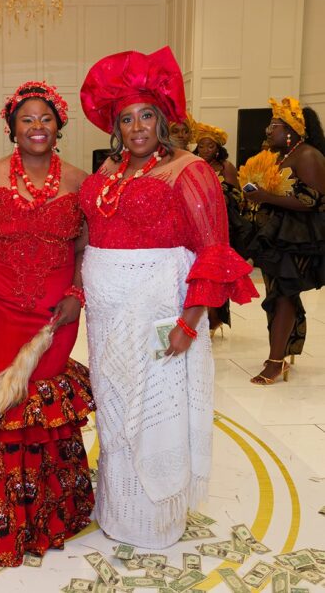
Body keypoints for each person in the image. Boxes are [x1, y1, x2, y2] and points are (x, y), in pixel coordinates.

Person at [79, 46, 258, 548]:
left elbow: (212, 250)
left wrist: (188, 322)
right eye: (127, 118)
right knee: (115, 409)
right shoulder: (109, 172)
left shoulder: (190, 169)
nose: (137, 127)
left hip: (160, 312)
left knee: (157, 412)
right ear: (115, 127)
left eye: (146, 116)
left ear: (162, 120)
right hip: (107, 319)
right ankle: (118, 509)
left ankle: (154, 521)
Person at [0, 81, 95, 567]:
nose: (37, 127)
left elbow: (86, 251)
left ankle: (46, 514)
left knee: (39, 397)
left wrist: (76, 295)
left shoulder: (81, 182)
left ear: (59, 126)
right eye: (27, 119)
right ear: (12, 128)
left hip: (53, 315)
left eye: (45, 118)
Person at [243, 97, 325, 384]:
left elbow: (313, 201)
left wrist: (265, 197)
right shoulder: (282, 155)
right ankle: (281, 352)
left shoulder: (307, 155)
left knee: (284, 295)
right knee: (278, 294)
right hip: (279, 235)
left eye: (274, 125)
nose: (268, 130)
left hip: (299, 237)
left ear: (291, 130)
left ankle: (276, 362)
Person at [194, 121, 249, 334]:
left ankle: (215, 319)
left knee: (216, 273)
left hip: (218, 227)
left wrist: (216, 196)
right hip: (195, 225)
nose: (206, 150)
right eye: (202, 145)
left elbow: (237, 196)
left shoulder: (225, 167)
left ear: (218, 148)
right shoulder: (190, 163)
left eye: (210, 146)